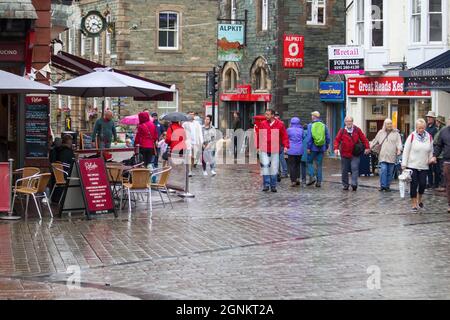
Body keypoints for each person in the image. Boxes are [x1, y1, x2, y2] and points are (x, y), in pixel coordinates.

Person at [402, 119, 435, 212]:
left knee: (423, 184)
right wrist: (404, 164)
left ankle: (419, 198)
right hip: (412, 165)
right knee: (414, 184)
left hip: (424, 165)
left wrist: (431, 158)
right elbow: (406, 151)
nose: (421, 129)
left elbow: (431, 150)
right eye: (419, 128)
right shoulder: (412, 136)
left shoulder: (429, 137)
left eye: (423, 128)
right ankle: (414, 204)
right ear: (416, 127)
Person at [256, 109, 289, 193]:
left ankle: (273, 185)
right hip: (264, 148)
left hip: (275, 149)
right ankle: (266, 185)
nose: (266, 116)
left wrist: (286, 146)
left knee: (274, 168)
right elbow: (259, 135)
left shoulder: (280, 124)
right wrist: (258, 146)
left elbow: (284, 136)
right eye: (265, 114)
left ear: (273, 115)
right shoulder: (263, 124)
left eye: (268, 114)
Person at [334, 116, 370, 191]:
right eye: (347, 121)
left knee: (355, 168)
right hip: (345, 153)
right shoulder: (342, 131)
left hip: (355, 153)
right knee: (344, 170)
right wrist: (336, 148)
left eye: (350, 121)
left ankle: (354, 184)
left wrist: (367, 147)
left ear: (352, 122)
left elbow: (364, 139)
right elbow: (337, 140)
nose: (349, 122)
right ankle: (345, 185)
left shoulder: (357, 130)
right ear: (345, 122)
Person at [370, 119, 403, 192]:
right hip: (383, 155)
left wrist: (399, 149)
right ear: (384, 125)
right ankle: (383, 186)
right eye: (388, 124)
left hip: (392, 155)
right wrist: (369, 147)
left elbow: (399, 143)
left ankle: (387, 186)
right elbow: (375, 141)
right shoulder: (381, 132)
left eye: (390, 124)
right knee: (383, 170)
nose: (389, 125)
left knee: (390, 172)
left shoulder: (396, 133)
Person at [306, 111, 330, 188]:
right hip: (321, 148)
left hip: (313, 148)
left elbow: (309, 138)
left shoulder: (310, 125)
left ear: (313, 117)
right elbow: (328, 137)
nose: (311, 117)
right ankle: (319, 182)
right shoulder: (324, 125)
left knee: (309, 162)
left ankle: (312, 176)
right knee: (319, 165)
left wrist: (308, 147)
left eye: (312, 116)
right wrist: (326, 146)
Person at [183, 112, 203, 176]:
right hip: (188, 142)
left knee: (193, 157)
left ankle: (190, 169)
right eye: (190, 114)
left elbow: (200, 133)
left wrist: (201, 142)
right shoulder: (185, 124)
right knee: (189, 156)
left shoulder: (197, 124)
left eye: (193, 114)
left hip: (195, 142)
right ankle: (188, 170)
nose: (191, 115)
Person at [286, 117, 304, 187]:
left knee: (292, 165)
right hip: (299, 149)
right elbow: (303, 137)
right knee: (297, 165)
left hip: (291, 150)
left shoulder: (288, 130)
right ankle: (298, 179)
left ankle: (293, 180)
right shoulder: (301, 130)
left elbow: (286, 138)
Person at [434, 116, 448, 192]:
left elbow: (437, 140)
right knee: (440, 170)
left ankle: (443, 185)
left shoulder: (443, 130)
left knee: (443, 171)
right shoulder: (440, 129)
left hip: (443, 154)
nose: (436, 122)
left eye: (437, 121)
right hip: (441, 153)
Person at [425, 111, 438, 189]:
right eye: (428, 117)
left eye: (430, 117)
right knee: (428, 168)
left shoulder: (435, 128)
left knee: (435, 168)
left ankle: (435, 183)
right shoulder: (426, 127)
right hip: (426, 150)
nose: (428, 118)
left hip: (433, 150)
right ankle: (429, 183)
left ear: (433, 119)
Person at [275, 111, 289, 178]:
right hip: (278, 144)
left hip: (279, 144)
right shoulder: (280, 123)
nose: (275, 117)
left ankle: (283, 172)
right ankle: (281, 172)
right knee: (279, 159)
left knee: (280, 159)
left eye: (276, 115)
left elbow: (284, 135)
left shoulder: (280, 123)